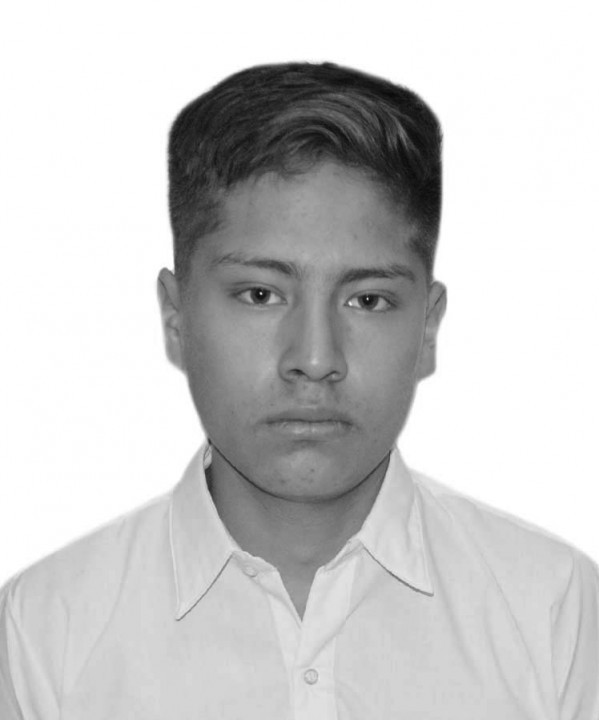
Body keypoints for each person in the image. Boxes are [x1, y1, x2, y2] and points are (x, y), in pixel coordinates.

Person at [0, 61, 597, 719]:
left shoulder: (555, 611)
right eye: (260, 294)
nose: (314, 359)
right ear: (176, 317)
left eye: (367, 299)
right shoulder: (44, 631)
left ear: (427, 328)